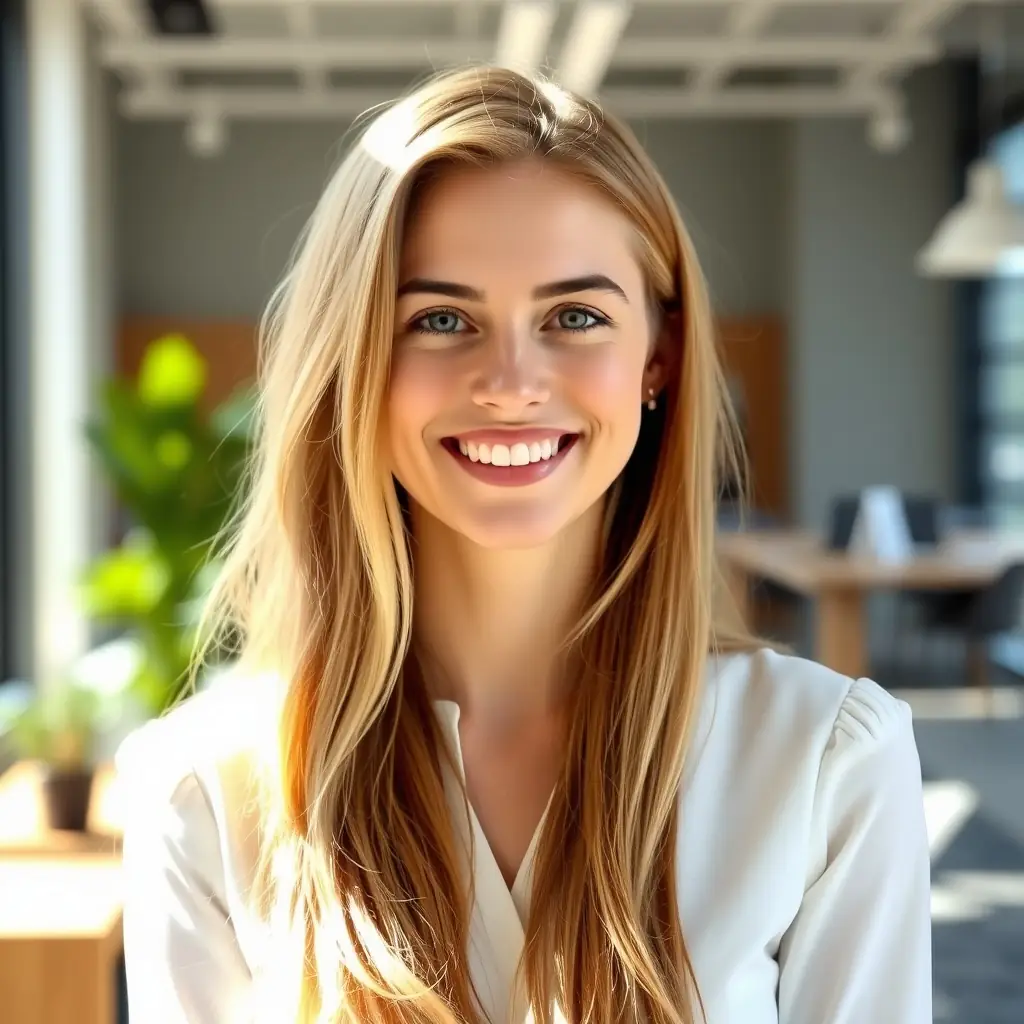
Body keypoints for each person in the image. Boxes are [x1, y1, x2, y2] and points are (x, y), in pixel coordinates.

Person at [117, 66, 932, 1023]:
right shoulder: (206, 786)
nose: (510, 382)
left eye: (575, 316)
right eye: (441, 320)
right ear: (355, 361)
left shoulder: (827, 762)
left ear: (657, 359)